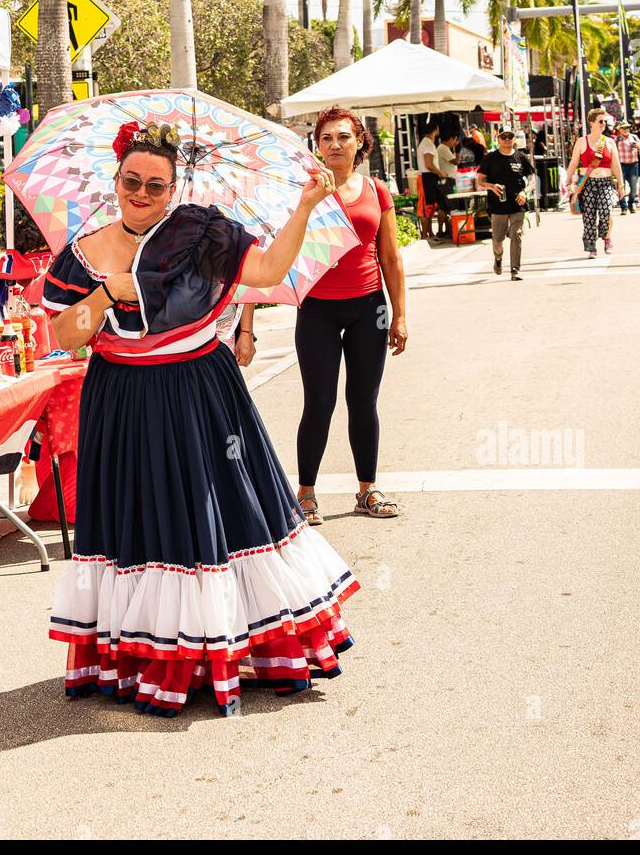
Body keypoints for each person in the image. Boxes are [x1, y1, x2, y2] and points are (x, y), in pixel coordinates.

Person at [41, 120, 359, 717]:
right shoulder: (85, 251)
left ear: (174, 187)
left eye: (155, 185)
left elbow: (264, 273)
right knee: (140, 518)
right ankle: (150, 651)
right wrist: (105, 296)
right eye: (131, 181)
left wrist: (306, 207)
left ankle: (221, 643)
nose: (141, 193)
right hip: (122, 398)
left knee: (219, 514)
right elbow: (64, 335)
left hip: (200, 390)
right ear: (115, 179)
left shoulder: (199, 232)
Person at [294, 106, 408, 528]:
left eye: (344, 137)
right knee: (319, 402)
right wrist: (246, 325)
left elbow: (391, 257)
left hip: (369, 307)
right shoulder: (305, 190)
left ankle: (367, 489)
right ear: (317, 146)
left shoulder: (377, 191)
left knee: (363, 402)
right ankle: (305, 493)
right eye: (326, 138)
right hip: (317, 309)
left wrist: (399, 315)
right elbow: (277, 251)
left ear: (360, 142)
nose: (335, 144)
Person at [564, 108, 625, 257]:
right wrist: (568, 182)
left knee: (606, 211)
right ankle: (591, 246)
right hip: (587, 183)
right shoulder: (581, 141)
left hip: (605, 182)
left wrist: (621, 185)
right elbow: (573, 163)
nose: (603, 124)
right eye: (600, 121)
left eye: (605, 121)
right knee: (589, 216)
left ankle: (606, 236)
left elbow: (616, 165)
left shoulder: (610, 142)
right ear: (592, 122)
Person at [476, 127, 534, 280]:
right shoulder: (490, 158)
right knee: (497, 239)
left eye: (510, 136)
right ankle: (498, 259)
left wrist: (525, 192)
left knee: (516, 235)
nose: (507, 139)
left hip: (518, 204)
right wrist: (491, 186)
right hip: (498, 205)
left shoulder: (521, 157)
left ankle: (515, 270)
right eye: (504, 136)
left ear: (514, 139)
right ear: (498, 139)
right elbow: (480, 180)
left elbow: (532, 180)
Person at [416, 117, 450, 240]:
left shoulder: (426, 143)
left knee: (430, 207)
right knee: (426, 208)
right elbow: (429, 164)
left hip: (427, 177)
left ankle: (430, 233)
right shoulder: (428, 144)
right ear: (436, 130)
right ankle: (425, 235)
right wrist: (440, 172)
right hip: (427, 177)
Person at [615, 121, 640, 214]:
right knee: (621, 187)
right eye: (624, 128)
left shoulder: (634, 137)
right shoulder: (617, 139)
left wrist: (637, 146)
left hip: (633, 165)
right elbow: (613, 154)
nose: (626, 130)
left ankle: (631, 203)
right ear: (620, 130)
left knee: (634, 188)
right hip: (621, 165)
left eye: (628, 127)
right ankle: (624, 207)